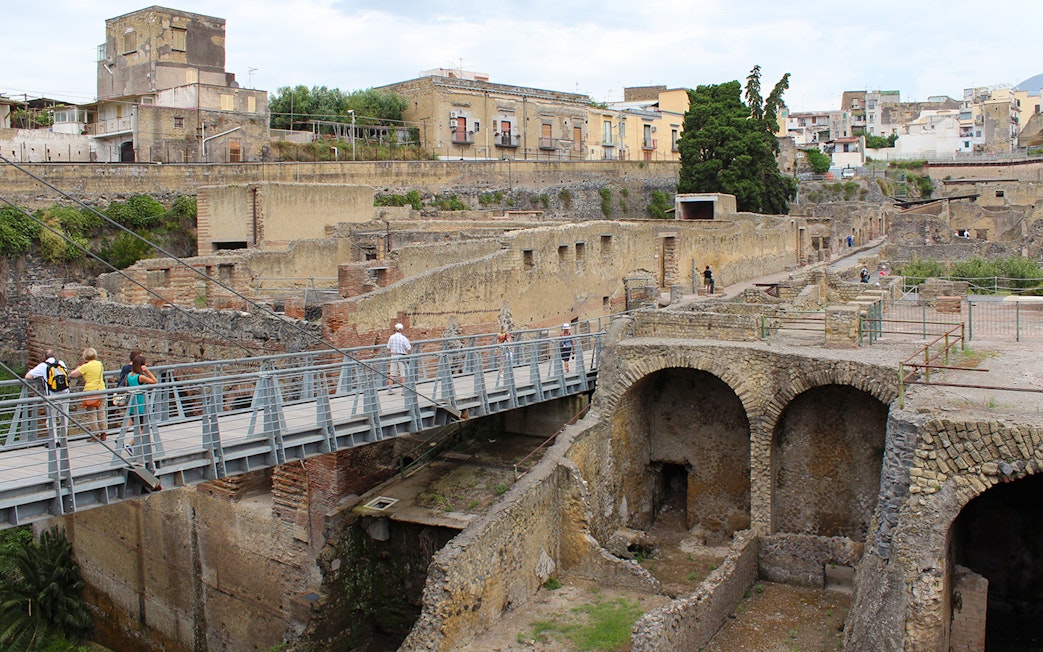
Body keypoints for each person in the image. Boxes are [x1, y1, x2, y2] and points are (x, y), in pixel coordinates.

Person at [24, 349, 70, 443]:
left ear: (44, 357)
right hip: (65, 394)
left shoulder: (43, 366)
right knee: (64, 416)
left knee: (51, 419)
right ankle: (63, 439)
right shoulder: (61, 363)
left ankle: (54, 441)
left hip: (52, 396)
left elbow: (28, 376)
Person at [69, 347, 106, 440]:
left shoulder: (85, 366)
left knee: (92, 414)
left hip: (90, 391)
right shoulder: (99, 364)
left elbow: (72, 374)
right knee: (101, 411)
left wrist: (78, 368)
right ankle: (103, 432)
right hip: (102, 389)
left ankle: (95, 434)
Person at [124, 354, 157, 455]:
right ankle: (130, 445)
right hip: (141, 404)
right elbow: (154, 381)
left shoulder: (129, 375)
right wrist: (147, 371)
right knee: (143, 428)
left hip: (133, 404)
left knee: (132, 421)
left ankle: (120, 437)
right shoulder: (140, 377)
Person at [386, 323, 411, 394]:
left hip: (393, 356)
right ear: (402, 329)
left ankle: (389, 390)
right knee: (403, 374)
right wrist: (408, 356)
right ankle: (403, 391)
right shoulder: (403, 338)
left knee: (392, 373)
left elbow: (388, 347)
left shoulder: (391, 337)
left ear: (395, 329)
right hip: (402, 356)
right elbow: (409, 348)